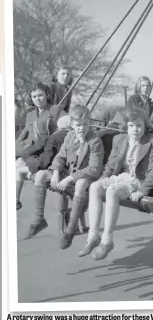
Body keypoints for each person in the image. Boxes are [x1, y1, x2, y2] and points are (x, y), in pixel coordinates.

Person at [79, 107, 153, 260]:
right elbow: (111, 164)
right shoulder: (120, 139)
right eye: (131, 126)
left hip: (137, 180)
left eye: (139, 126)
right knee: (94, 187)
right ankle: (93, 236)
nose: (135, 130)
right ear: (126, 127)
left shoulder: (151, 142)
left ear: (145, 127)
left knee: (112, 190)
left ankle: (107, 240)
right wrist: (103, 179)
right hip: (121, 176)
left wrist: (143, 191)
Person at [25, 105, 104, 250]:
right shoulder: (70, 136)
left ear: (89, 124)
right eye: (78, 125)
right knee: (41, 175)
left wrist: (69, 179)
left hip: (85, 176)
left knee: (80, 184)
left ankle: (71, 229)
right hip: (68, 173)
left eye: (85, 124)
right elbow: (60, 157)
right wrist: (55, 172)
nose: (81, 128)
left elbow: (94, 168)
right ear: (72, 125)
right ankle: (39, 218)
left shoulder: (95, 140)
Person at [16, 115, 71, 210]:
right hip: (67, 169)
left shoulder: (52, 138)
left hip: (53, 169)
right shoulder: (73, 137)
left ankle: (16, 199)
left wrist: (33, 168)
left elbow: (46, 159)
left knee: (20, 170)